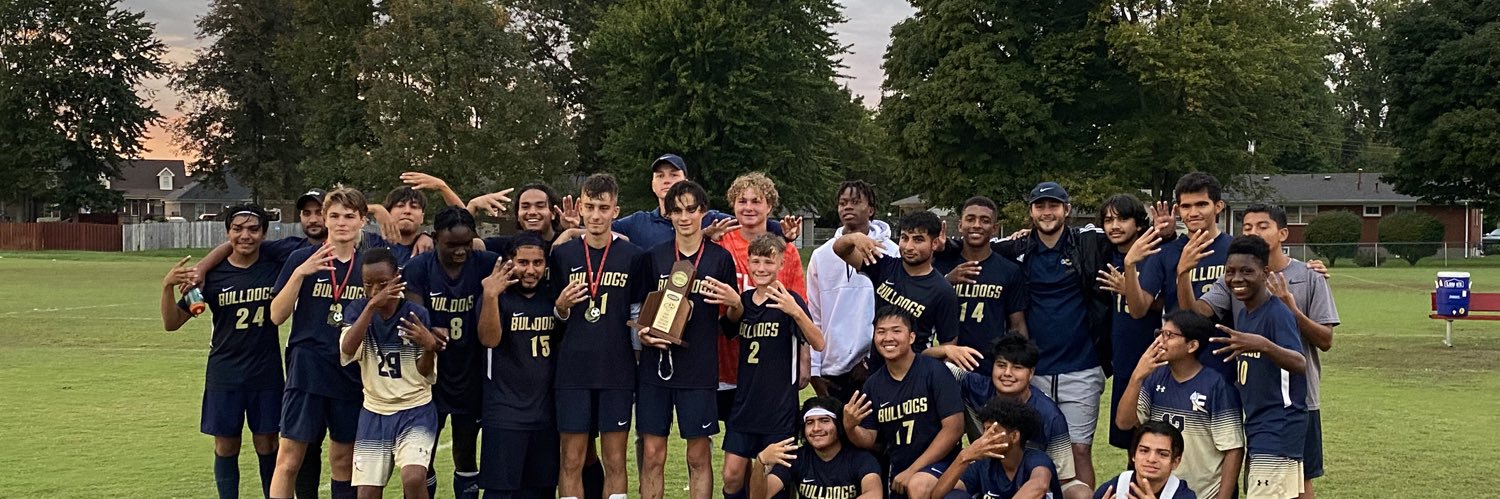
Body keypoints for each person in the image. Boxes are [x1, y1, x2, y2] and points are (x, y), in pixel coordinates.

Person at [1176, 204, 1339, 499]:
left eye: (1263, 226)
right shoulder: (1245, 297)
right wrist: (1183, 273)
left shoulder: (1304, 280)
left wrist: (1272, 330)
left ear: (1282, 233)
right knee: (1286, 488)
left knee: (1298, 481)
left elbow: (1316, 347)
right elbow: (1195, 315)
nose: (1254, 232)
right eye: (1248, 226)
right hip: (1258, 411)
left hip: (1289, 410)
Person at [986, 182, 1131, 493]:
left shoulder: (1089, 243)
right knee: (1030, 448)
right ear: (1031, 212)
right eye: (1040, 206)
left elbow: (1129, 235)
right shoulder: (1017, 248)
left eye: (1053, 205)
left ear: (1067, 209)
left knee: (1079, 450)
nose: (1047, 212)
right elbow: (974, 247)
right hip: (1034, 371)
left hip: (1082, 366)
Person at [159, 204, 284, 499]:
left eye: (253, 229)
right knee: (226, 445)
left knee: (268, 443)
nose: (245, 236)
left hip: (266, 372)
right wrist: (167, 287)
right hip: (225, 374)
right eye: (237, 229)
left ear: (264, 234)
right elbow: (172, 323)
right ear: (228, 233)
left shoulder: (276, 266)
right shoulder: (212, 276)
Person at [633, 180, 742, 499]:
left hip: (699, 368)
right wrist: (643, 334)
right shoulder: (653, 257)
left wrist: (736, 304)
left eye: (691, 210)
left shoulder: (720, 259)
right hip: (656, 368)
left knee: (698, 455)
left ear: (703, 211)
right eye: (677, 210)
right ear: (668, 214)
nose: (684, 217)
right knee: (652, 454)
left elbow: (731, 323)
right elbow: (640, 311)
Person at [267, 188, 378, 499]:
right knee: (289, 459)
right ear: (325, 219)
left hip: (350, 372)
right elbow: (276, 316)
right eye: (335, 216)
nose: (341, 223)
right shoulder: (301, 259)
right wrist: (299, 275)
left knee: (343, 459)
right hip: (307, 370)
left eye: (349, 216)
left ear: (362, 220)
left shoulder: (369, 265)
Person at [550, 173, 646, 499]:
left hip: (616, 369)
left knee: (615, 459)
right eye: (590, 207)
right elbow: (555, 318)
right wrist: (561, 307)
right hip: (573, 370)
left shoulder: (633, 256)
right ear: (579, 207)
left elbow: (636, 315)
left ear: (615, 211)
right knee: (571, 458)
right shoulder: (563, 255)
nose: (595, 215)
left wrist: (637, 359)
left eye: (603, 208)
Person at [401, 207, 501, 498]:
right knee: (424, 455)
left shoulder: (486, 263)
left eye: (466, 243)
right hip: (429, 375)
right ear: (434, 239)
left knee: (466, 451)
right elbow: (415, 317)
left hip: (471, 373)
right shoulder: (419, 268)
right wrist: (428, 331)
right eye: (452, 244)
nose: (460, 251)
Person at [722, 233, 828, 499]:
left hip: (779, 409)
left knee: (772, 483)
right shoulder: (744, 301)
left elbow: (818, 342)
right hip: (745, 405)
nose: (761, 268)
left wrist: (795, 311)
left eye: (769, 262)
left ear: (781, 263)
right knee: (732, 476)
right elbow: (728, 329)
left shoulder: (789, 300)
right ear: (748, 262)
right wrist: (733, 305)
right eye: (756, 261)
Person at [337, 247, 443, 499]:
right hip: (375, 411)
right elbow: (348, 349)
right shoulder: (358, 310)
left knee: (414, 478)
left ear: (397, 278)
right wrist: (371, 307)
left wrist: (430, 347)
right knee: (367, 493)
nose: (376, 290)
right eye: (368, 284)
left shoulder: (415, 314)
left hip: (415, 408)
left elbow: (424, 373)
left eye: (383, 283)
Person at [1210, 235, 1309, 499]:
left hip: (1279, 426)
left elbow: (1300, 362)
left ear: (1265, 273)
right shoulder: (1245, 313)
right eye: (1230, 271)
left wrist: (1264, 345)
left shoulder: (1277, 313)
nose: (1236, 278)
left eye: (1247, 271)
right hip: (1257, 425)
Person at [716, 173, 809, 430]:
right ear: (732, 205)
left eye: (756, 201)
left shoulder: (786, 251)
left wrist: (804, 359)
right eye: (742, 201)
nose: (749, 207)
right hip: (727, 357)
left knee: (770, 438)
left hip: (773, 364)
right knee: (735, 439)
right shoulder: (720, 244)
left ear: (769, 206)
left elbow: (800, 308)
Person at [1115, 311, 1242, 499]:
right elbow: (1124, 423)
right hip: (1159, 492)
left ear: (1192, 346)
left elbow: (1233, 449)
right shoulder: (1154, 377)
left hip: (1204, 494)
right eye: (1159, 333)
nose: (1159, 341)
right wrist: (1136, 377)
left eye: (1169, 335)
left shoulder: (1216, 386)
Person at [1120, 172, 1233, 380]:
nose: (1193, 213)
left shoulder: (1234, 250)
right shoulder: (1166, 252)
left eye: (1201, 205)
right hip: (1180, 364)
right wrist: (1129, 264)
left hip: (1224, 361)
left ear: (1218, 206)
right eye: (1186, 206)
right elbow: (1137, 310)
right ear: (1178, 209)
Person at [843, 307, 964, 499]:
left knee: (918, 485)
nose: (888, 338)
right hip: (899, 469)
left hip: (942, 463)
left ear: (912, 337)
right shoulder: (873, 385)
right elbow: (869, 439)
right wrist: (850, 427)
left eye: (896, 331)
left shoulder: (935, 372)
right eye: (881, 332)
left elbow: (954, 429)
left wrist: (913, 470)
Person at [945, 333, 1084, 499]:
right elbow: (927, 365)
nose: (1007, 373)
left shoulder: (1050, 415)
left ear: (1031, 373)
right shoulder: (975, 386)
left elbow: (1063, 476)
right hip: (986, 467)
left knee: (1080, 493)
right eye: (1001, 365)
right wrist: (945, 349)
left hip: (1035, 473)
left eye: (1017, 367)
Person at [475, 233, 562, 498]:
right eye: (523, 262)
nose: (530, 270)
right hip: (505, 413)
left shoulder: (553, 295)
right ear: (509, 262)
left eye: (537, 263)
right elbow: (489, 340)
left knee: (541, 491)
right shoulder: (497, 296)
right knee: (500, 493)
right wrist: (490, 296)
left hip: (546, 414)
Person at [833, 211, 964, 368]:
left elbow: (949, 347)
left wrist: (928, 368)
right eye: (904, 238)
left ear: (934, 243)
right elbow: (840, 250)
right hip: (878, 371)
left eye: (918, 240)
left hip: (913, 373)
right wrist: (854, 238)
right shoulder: (884, 266)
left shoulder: (942, 291)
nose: (909, 247)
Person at [806, 180, 898, 403]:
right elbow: (814, 316)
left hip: (877, 366)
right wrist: (815, 370)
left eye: (855, 202)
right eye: (843, 203)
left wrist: (870, 359)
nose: (847, 207)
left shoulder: (892, 253)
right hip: (832, 370)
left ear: (871, 209)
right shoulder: (821, 255)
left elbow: (898, 313)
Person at [1092, 194, 1169, 452]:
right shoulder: (1106, 254)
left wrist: (1131, 289)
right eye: (1108, 220)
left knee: (1156, 439)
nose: (1114, 226)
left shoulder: (1155, 254)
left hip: (1153, 359)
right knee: (1131, 444)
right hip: (1123, 361)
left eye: (1122, 219)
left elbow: (1164, 303)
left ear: (1138, 224)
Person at [611, 153, 791, 251]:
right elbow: (600, 229)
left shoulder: (709, 218)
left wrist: (785, 233)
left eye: (673, 175)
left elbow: (750, 223)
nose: (666, 181)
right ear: (652, 184)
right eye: (660, 176)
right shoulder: (638, 222)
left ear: (686, 181)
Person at [935, 196, 1029, 369]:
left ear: (994, 228)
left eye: (985, 220)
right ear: (960, 225)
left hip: (989, 365)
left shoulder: (1009, 270)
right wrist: (946, 281)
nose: (977, 225)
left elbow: (1017, 324)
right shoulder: (940, 265)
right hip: (944, 363)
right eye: (970, 219)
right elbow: (922, 304)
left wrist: (1020, 363)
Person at [928, 397, 1064, 499]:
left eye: (993, 431)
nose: (985, 437)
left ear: (1014, 436)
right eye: (985, 430)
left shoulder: (1036, 459)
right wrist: (963, 457)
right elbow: (938, 496)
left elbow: (1039, 486)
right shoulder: (983, 465)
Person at [747, 397, 882, 499]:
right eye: (810, 422)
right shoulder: (796, 458)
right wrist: (760, 462)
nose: (816, 428)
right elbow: (759, 497)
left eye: (824, 421)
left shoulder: (861, 458)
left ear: (839, 425)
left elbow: (874, 494)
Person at [1094, 422, 1199, 499]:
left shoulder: (1184, 495)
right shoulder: (1112, 490)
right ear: (1133, 455)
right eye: (1144, 451)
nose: (1151, 459)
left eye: (1162, 454)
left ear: (1176, 462)